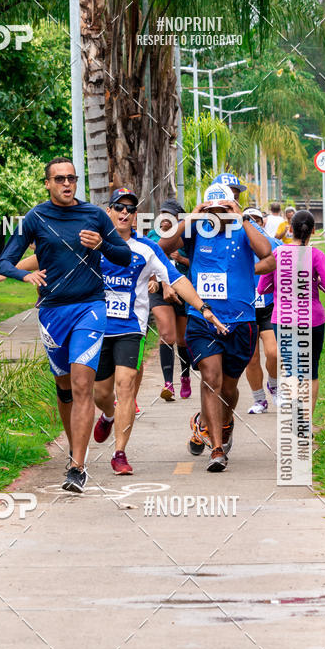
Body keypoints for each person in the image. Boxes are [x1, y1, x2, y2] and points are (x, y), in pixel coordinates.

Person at [0, 159, 131, 493]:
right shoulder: (35, 218)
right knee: (66, 387)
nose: (67, 184)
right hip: (53, 311)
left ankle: (77, 466)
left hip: (91, 306)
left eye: (71, 178)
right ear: (47, 183)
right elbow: (4, 261)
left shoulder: (95, 216)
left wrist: (101, 245)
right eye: (60, 179)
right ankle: (75, 447)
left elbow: (124, 255)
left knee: (84, 384)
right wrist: (24, 274)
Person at [92, 190, 226, 475]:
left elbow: (176, 279)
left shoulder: (146, 250)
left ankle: (119, 453)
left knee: (125, 387)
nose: (124, 212)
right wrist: (14, 270)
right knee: (100, 393)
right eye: (118, 207)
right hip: (97, 328)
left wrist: (203, 308)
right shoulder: (94, 244)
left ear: (136, 216)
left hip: (131, 329)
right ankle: (108, 414)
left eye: (130, 208)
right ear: (109, 212)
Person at [160, 184, 275, 471]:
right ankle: (217, 449)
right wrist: (193, 216)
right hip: (203, 319)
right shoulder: (198, 230)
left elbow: (266, 255)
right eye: (213, 210)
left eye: (223, 209)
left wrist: (242, 218)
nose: (218, 216)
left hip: (241, 320)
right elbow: (162, 249)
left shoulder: (244, 229)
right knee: (211, 378)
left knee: (229, 386)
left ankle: (218, 422)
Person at [258, 210, 325, 414]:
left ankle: (295, 416)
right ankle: (306, 422)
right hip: (313, 320)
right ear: (313, 231)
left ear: (290, 229)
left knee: (292, 370)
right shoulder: (316, 255)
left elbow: (261, 288)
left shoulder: (277, 254)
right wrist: (316, 281)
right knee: (311, 371)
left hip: (283, 320)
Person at [147, 200, 193, 401]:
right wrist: (152, 281)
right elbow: (145, 262)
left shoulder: (188, 236)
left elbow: (198, 263)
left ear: (178, 218)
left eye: (169, 215)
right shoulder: (152, 236)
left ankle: (185, 376)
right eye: (162, 213)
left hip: (182, 290)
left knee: (182, 339)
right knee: (167, 334)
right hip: (159, 291)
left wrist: (181, 259)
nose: (164, 219)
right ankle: (168, 384)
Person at [242, 207, 281, 413]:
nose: (254, 224)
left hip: (267, 306)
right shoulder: (237, 245)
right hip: (245, 307)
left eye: (257, 220)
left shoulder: (274, 244)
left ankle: (273, 384)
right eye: (249, 220)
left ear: (263, 223)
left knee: (273, 353)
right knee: (252, 357)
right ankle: (259, 399)